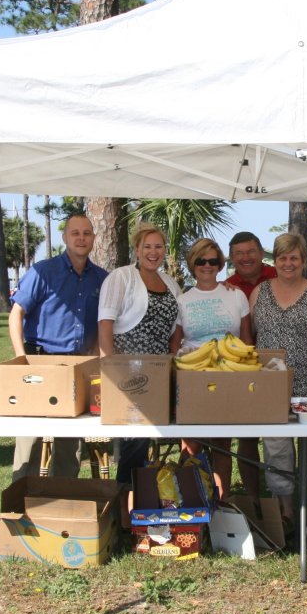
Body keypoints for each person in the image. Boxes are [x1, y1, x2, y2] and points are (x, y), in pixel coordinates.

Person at [9, 213, 107, 480]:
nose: (81, 238)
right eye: (75, 233)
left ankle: (62, 504)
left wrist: (96, 361)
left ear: (94, 239)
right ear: (65, 237)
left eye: (87, 233)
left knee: (68, 448)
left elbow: (102, 325)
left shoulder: (101, 279)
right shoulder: (43, 271)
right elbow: (16, 314)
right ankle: (19, 509)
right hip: (39, 362)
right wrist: (21, 359)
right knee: (30, 442)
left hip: (77, 368)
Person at [97, 222, 182, 521]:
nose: (153, 252)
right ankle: (122, 511)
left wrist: (171, 362)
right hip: (129, 372)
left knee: (150, 440)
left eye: (158, 247)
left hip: (159, 373)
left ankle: (149, 505)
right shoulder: (122, 278)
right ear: (137, 249)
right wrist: (112, 370)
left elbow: (177, 328)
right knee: (134, 442)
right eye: (147, 246)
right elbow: (105, 325)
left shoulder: (171, 283)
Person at [249, 233, 307, 527]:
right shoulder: (259, 292)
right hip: (270, 387)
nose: (288, 263)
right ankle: (285, 510)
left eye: (294, 258)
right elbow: (250, 338)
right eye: (283, 257)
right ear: (275, 260)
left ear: (303, 261)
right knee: (276, 446)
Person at [171, 238, 253, 500]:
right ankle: (191, 499)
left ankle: (223, 499)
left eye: (213, 261)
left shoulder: (235, 295)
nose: (207, 265)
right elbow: (176, 343)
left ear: (220, 264)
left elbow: (247, 339)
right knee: (192, 443)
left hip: (228, 376)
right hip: (193, 377)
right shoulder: (183, 300)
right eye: (201, 261)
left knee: (222, 444)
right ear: (192, 264)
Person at [223, 230, 276, 496]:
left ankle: (283, 497)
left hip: (277, 366)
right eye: (239, 254)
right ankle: (254, 495)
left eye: (251, 251)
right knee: (247, 436)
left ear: (261, 252)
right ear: (232, 258)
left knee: (281, 435)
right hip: (242, 369)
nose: (246, 258)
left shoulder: (279, 277)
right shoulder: (226, 289)